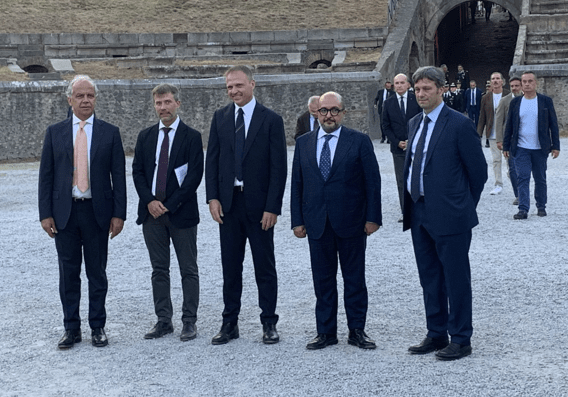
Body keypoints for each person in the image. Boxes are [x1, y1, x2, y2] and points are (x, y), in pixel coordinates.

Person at [403, 67, 487, 360]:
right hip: (419, 211)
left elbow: (478, 172)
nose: (421, 94)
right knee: (429, 276)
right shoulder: (414, 122)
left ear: (441, 89)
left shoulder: (459, 124)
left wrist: (462, 205)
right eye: (417, 89)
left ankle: (461, 338)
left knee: (455, 277)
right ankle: (436, 332)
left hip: (451, 214)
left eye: (427, 88)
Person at [38, 75, 127, 349]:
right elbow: (46, 175)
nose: (86, 100)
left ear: (95, 99)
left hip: (97, 212)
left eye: (90, 96)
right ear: (70, 99)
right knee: (68, 273)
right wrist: (45, 213)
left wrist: (119, 214)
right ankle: (71, 328)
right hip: (65, 213)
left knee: (97, 273)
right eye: (80, 96)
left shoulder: (110, 133)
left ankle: (97, 326)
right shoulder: (55, 132)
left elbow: (119, 177)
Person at [291, 91, 382, 350]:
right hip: (317, 222)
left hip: (352, 222)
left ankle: (357, 330)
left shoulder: (359, 141)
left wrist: (373, 217)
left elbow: (372, 183)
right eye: (323, 110)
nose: (328, 115)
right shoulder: (304, 143)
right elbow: (297, 183)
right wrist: (297, 220)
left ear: (343, 113)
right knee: (323, 280)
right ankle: (326, 332)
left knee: (354, 279)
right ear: (316, 112)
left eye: (334, 110)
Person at [205, 65, 287, 345]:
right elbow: (212, 161)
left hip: (259, 206)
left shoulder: (271, 120)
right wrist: (212, 197)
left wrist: (272, 207)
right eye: (229, 87)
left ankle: (269, 322)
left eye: (238, 85)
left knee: (264, 265)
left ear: (252, 84)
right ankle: (230, 322)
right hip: (229, 205)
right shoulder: (220, 118)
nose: (234, 91)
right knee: (231, 266)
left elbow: (279, 168)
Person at [132, 84, 204, 342]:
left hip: (181, 214)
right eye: (158, 103)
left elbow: (194, 176)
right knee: (159, 270)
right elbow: (137, 172)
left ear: (178, 103)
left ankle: (189, 321)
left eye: (167, 102)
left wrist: (170, 204)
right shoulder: (146, 136)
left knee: (188, 269)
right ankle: (164, 320)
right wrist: (150, 201)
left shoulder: (192, 137)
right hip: (151, 215)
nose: (163, 107)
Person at [502, 71, 559, 220]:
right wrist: (506, 146)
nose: (527, 84)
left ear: (535, 83)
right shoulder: (516, 103)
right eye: (524, 82)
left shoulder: (545, 101)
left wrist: (555, 145)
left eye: (530, 81)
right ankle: (523, 208)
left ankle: (541, 205)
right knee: (523, 177)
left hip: (540, 148)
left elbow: (553, 124)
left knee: (540, 178)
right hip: (521, 147)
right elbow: (509, 126)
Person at [381, 73, 421, 223]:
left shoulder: (416, 100)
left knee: (417, 177)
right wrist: (397, 142)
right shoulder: (388, 103)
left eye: (402, 83)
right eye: (396, 83)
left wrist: (412, 140)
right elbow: (386, 126)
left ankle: (419, 208)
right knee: (402, 180)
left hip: (416, 146)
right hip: (398, 149)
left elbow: (422, 120)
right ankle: (406, 211)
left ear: (408, 85)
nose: (399, 85)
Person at [477, 72, 509, 195]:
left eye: (497, 79)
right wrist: (478, 134)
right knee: (496, 160)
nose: (495, 81)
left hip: (506, 134)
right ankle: (498, 183)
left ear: (502, 81)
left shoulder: (508, 95)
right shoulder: (486, 98)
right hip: (492, 134)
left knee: (509, 160)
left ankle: (512, 178)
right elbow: (482, 117)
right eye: (493, 79)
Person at [495, 76, 522, 205]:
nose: (514, 88)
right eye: (512, 86)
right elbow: (499, 121)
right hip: (510, 141)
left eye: (517, 85)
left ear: (521, 86)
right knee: (512, 168)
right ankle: (519, 195)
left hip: (526, 140)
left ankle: (524, 192)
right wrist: (499, 140)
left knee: (525, 168)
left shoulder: (529, 99)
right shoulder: (504, 101)